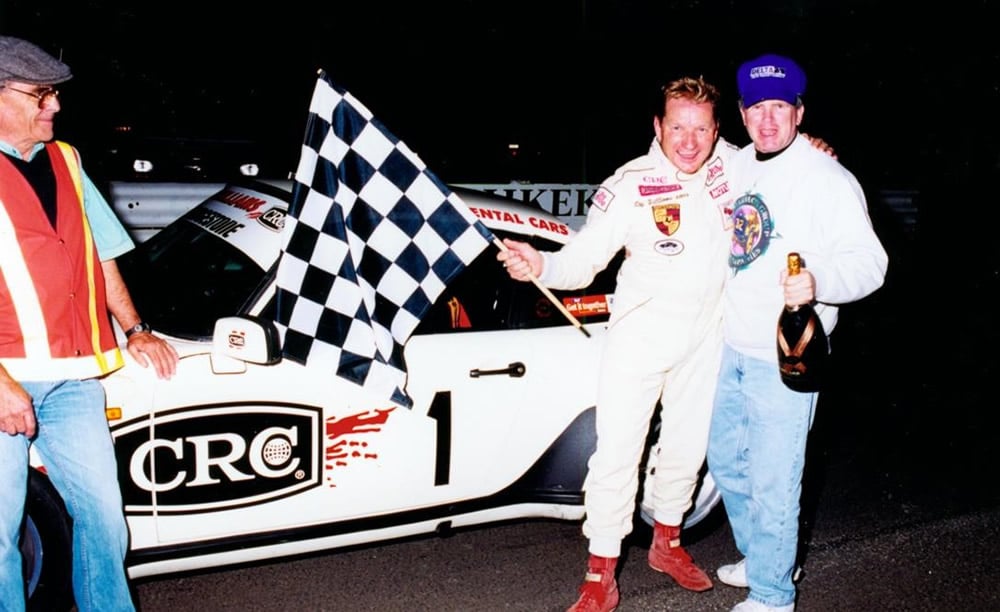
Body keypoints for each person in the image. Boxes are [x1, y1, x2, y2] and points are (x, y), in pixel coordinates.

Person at [499, 76, 737, 612]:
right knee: (616, 456)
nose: (690, 140)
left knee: (686, 450)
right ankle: (600, 571)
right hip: (639, 341)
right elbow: (582, 261)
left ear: (716, 130)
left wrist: (814, 148)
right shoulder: (629, 184)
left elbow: (785, 169)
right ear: (659, 126)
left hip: (706, 339)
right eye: (678, 126)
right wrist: (540, 264)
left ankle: (667, 544)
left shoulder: (735, 167)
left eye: (701, 128)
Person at [0, 36, 179, 611]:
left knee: (104, 520)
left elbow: (101, 254)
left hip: (74, 379)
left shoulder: (67, 159)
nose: (53, 106)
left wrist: (135, 328)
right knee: (0, 539)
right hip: (7, 377)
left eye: (52, 93)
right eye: (40, 94)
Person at [706, 53, 888, 612]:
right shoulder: (737, 166)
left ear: (799, 112)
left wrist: (818, 281)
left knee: (774, 476)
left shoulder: (827, 177)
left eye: (779, 107)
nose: (767, 119)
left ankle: (772, 594)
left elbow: (871, 264)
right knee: (725, 462)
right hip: (729, 345)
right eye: (757, 108)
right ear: (741, 114)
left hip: (786, 355)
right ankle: (766, 557)